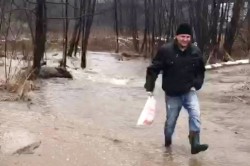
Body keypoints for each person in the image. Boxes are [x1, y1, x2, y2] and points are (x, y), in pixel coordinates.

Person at [144, 23, 208, 154]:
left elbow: (201, 71)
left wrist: (197, 83)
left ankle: (195, 143)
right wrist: (150, 86)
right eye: (182, 36)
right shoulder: (166, 51)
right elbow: (153, 69)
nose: (185, 39)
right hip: (172, 93)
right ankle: (167, 144)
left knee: (195, 115)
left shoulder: (195, 52)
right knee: (171, 122)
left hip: (189, 91)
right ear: (176, 36)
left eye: (187, 37)